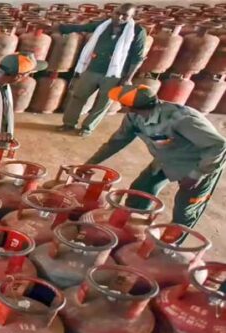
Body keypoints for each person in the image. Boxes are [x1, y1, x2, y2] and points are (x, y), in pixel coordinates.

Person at [86, 85, 226, 229]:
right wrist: (89, 164)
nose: (121, 106)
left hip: (199, 163)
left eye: (122, 103)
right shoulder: (134, 117)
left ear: (130, 106)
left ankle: (173, 241)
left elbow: (219, 146)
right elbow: (117, 141)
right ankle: (132, 225)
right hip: (166, 158)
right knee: (140, 190)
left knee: (184, 211)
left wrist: (196, 175)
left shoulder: (179, 119)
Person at [58, 3, 147, 136]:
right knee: (78, 96)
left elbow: (137, 58)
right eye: (117, 13)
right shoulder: (104, 25)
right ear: (113, 12)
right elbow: (84, 27)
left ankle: (87, 128)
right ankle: (68, 124)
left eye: (125, 15)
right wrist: (61, 28)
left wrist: (127, 78)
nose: (120, 17)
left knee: (103, 103)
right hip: (93, 68)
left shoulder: (137, 31)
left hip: (115, 74)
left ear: (132, 17)